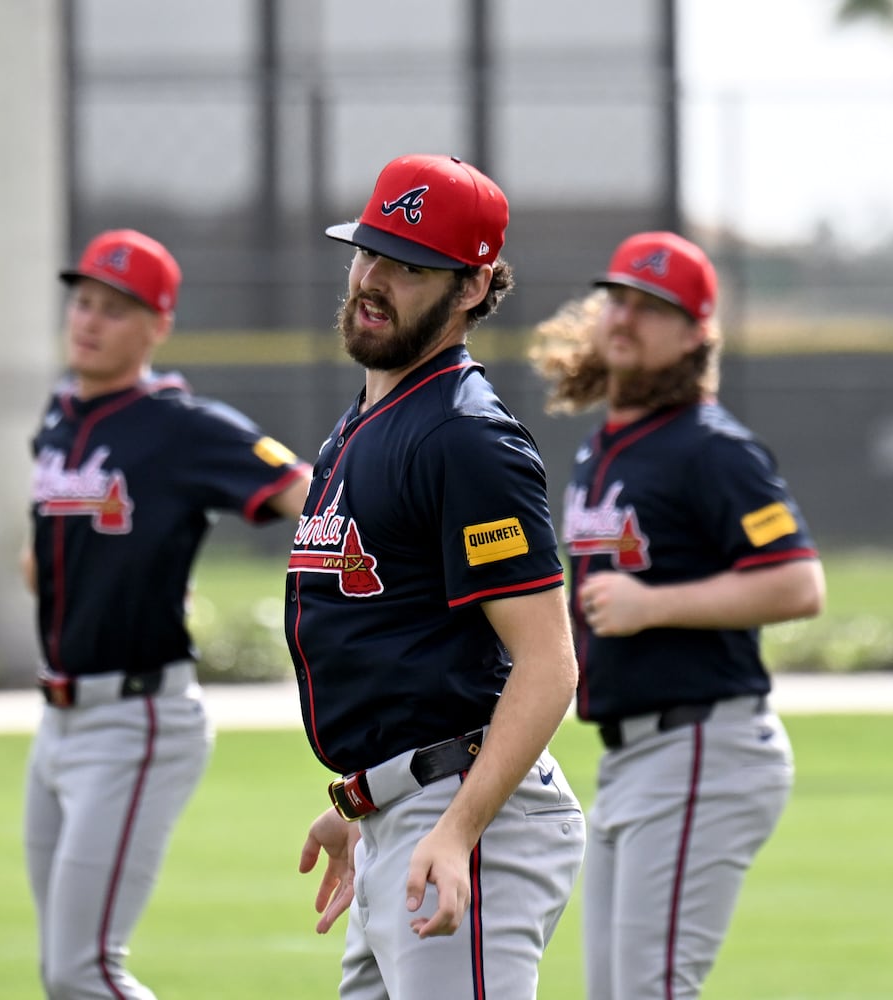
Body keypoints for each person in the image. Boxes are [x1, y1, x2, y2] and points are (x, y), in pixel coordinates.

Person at [288, 153, 586, 999]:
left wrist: (458, 828)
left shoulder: (464, 437)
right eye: (368, 251)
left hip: (469, 818)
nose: (374, 280)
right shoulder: (365, 421)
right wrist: (360, 801)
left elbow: (547, 663)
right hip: (400, 813)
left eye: (410, 266)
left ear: (469, 287)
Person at [529, 230, 826, 999]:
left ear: (696, 333)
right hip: (638, 757)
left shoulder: (711, 449)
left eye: (652, 307)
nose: (625, 318)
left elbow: (797, 583)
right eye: (617, 299)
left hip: (701, 746)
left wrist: (653, 605)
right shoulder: (606, 446)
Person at [22, 228, 311, 999]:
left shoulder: (181, 424)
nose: (89, 319)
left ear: (158, 324)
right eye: (83, 301)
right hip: (55, 720)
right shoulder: (58, 419)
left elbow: (311, 495)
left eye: (116, 308)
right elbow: (50, 553)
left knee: (82, 971)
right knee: (65, 975)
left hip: (135, 716)